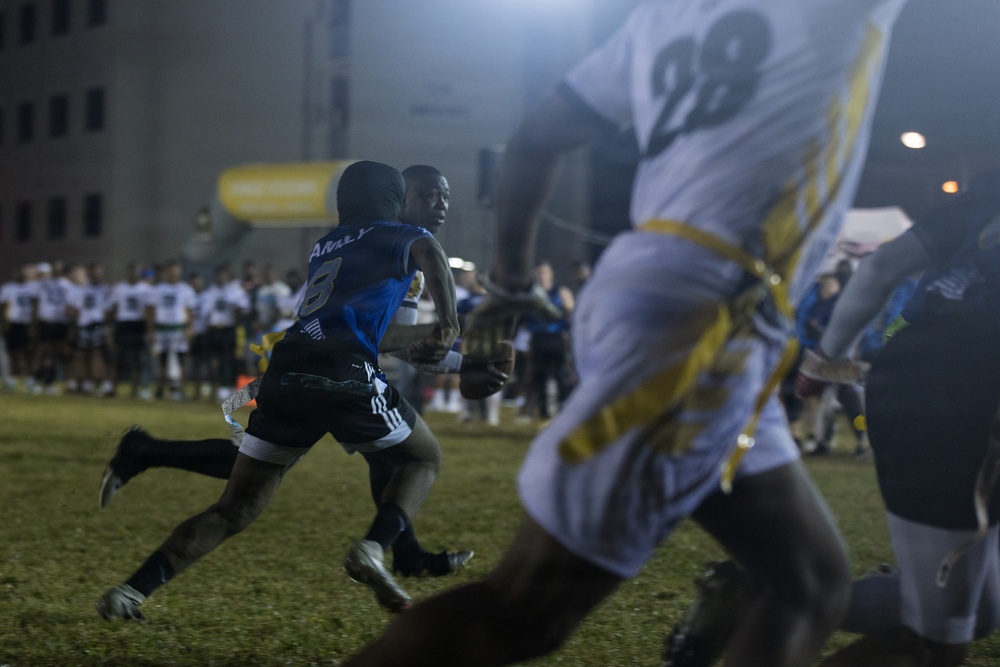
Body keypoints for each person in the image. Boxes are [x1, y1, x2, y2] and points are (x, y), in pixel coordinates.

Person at [345, 2, 908, 665]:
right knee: (521, 612)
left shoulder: (664, 18)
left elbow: (534, 142)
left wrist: (512, 282)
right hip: (699, 324)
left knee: (809, 583)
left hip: (665, 294)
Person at [96, 160, 464, 620]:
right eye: (428, 194)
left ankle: (129, 593)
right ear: (395, 198)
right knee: (421, 457)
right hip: (343, 371)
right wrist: (450, 326)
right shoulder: (403, 236)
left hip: (287, 371)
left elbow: (386, 334)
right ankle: (373, 548)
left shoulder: (326, 245)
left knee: (235, 507)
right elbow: (426, 254)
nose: (439, 204)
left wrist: (458, 360)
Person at [805, 166, 1000, 666]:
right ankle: (777, 595)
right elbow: (879, 269)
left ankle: (772, 595)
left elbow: (882, 267)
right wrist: (827, 363)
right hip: (955, 398)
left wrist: (825, 362)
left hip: (936, 381)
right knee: (934, 646)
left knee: (980, 613)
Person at [521, 259, 574, 420]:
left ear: (551, 274)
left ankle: (564, 408)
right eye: (539, 273)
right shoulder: (531, 293)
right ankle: (543, 411)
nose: (541, 276)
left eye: (544, 272)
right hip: (538, 338)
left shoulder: (561, 291)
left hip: (556, 338)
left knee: (560, 374)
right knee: (539, 375)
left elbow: (571, 311)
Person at [148, 260, 198, 400]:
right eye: (170, 271)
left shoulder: (185, 289)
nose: (173, 274)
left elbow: (191, 312)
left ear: (179, 272)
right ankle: (160, 388)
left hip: (178, 329)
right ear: (166, 272)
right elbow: (150, 311)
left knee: (181, 359)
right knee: (162, 360)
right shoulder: (158, 289)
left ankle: (181, 389)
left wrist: (190, 328)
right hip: (162, 328)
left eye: (175, 271)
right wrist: (150, 330)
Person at [108, 262, 154, 398]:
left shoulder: (146, 289)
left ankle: (135, 389)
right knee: (117, 357)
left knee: (137, 359)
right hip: (123, 323)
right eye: (132, 271)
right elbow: (114, 308)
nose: (133, 274)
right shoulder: (119, 288)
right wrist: (111, 326)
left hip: (138, 324)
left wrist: (149, 330)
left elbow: (149, 311)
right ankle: (112, 387)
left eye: (136, 272)